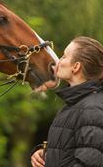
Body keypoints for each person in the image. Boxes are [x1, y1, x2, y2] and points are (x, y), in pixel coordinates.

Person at [31, 36, 103, 167]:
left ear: (76, 67)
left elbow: (90, 162)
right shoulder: (76, 104)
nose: (59, 60)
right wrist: (46, 153)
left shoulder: (92, 109)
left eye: (64, 56)